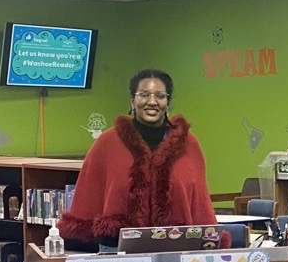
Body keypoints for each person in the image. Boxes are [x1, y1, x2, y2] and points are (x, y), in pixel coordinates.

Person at [58, 68, 225, 251]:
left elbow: (199, 201)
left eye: (160, 96)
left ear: (168, 101)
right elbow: (87, 198)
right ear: (132, 100)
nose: (152, 102)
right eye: (144, 94)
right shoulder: (106, 144)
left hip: (177, 251)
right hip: (117, 253)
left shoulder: (189, 145)